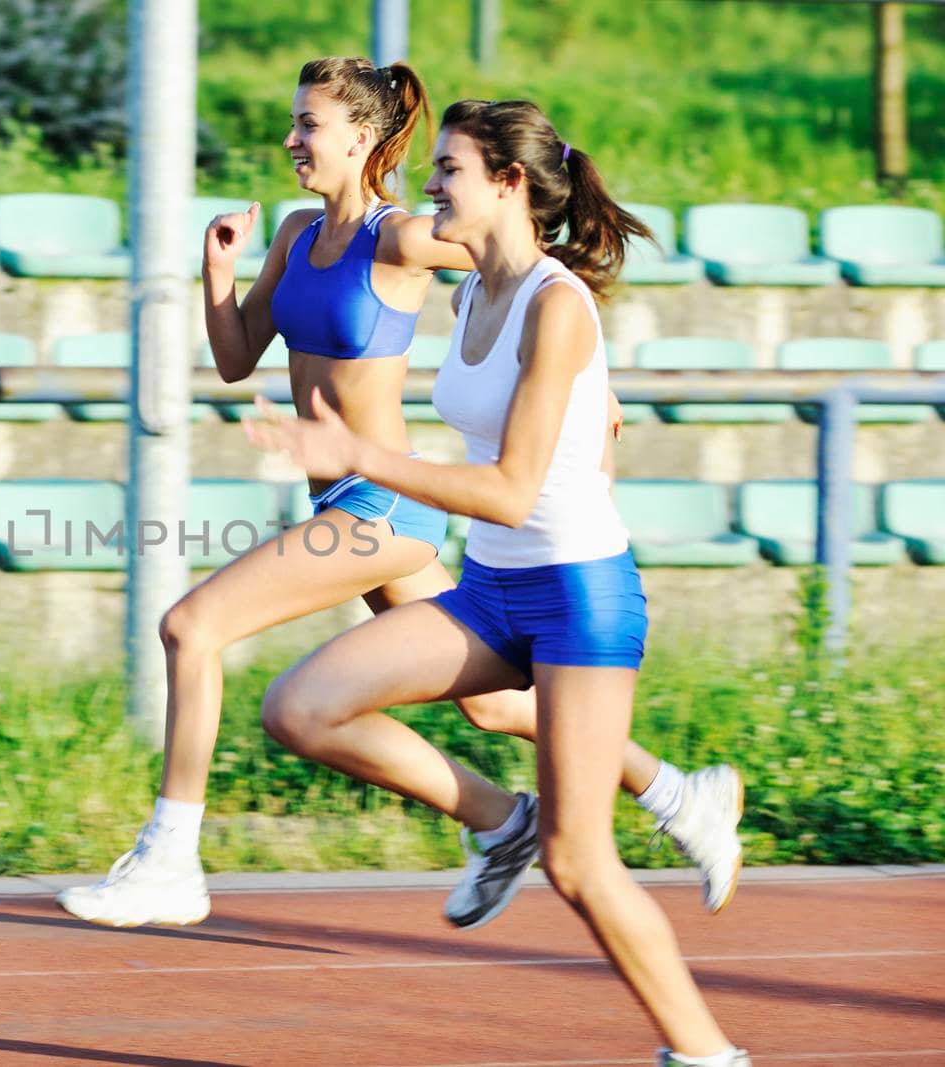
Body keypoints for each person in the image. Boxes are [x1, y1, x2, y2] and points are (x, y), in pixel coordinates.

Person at [57, 58, 741, 940]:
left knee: (192, 627)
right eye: (294, 123)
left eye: (308, 124)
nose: (291, 139)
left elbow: (519, 259)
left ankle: (170, 859)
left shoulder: (404, 238)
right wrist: (214, 272)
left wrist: (585, 378)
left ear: (363, 138)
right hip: (338, 502)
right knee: (491, 704)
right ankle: (654, 797)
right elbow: (236, 356)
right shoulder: (298, 233)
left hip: (379, 508)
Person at [242, 97, 750, 1066]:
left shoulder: (556, 303)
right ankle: (501, 819)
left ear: (508, 184)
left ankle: (704, 1052)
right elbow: (571, 421)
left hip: (576, 597)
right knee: (301, 707)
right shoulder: (473, 289)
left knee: (579, 861)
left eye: (448, 170)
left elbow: (512, 491)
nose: (428, 184)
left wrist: (359, 451)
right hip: (492, 590)